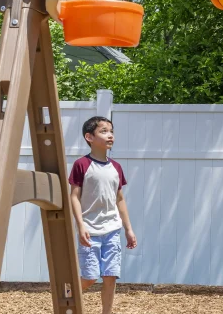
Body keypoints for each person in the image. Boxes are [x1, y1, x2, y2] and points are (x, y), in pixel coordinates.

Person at [69, 116, 137, 314]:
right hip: (89, 231)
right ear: (89, 137)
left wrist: (128, 229)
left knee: (110, 276)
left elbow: (120, 200)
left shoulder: (116, 167)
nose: (110, 135)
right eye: (104, 131)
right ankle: (66, 294)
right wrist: (80, 225)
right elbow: (74, 197)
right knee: (90, 277)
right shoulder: (81, 165)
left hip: (112, 230)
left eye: (111, 131)